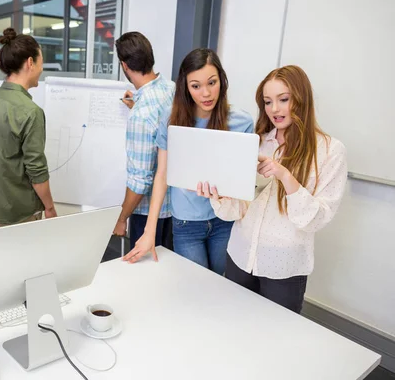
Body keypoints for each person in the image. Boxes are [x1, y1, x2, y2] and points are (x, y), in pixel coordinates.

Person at [197, 65, 347, 313]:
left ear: (302, 99)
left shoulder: (330, 151)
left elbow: (317, 218)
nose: (274, 109)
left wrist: (285, 177)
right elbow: (239, 209)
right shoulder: (256, 142)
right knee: (232, 327)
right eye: (268, 102)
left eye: (283, 99)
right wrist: (220, 196)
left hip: (284, 268)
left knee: (276, 342)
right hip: (240, 256)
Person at [123, 48, 253, 275]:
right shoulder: (172, 118)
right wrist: (149, 231)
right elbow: (162, 174)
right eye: (196, 86)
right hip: (186, 224)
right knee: (197, 287)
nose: (206, 93)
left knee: (222, 287)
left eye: (212, 82)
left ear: (221, 81)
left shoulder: (241, 122)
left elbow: (243, 181)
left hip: (225, 221)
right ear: (185, 86)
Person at [0, 28, 56, 226]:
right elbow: (36, 171)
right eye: (41, 62)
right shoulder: (30, 111)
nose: (41, 68)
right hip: (21, 211)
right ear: (30, 62)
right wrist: (50, 207)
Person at [111, 32, 174, 251]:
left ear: (124, 65)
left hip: (148, 215)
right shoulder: (172, 88)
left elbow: (140, 182)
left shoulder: (140, 116)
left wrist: (121, 218)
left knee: (144, 276)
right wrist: (136, 101)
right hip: (175, 209)